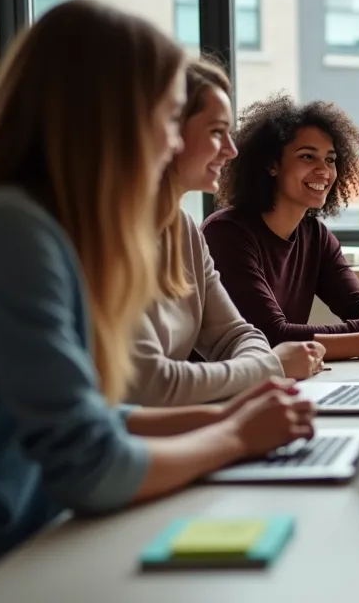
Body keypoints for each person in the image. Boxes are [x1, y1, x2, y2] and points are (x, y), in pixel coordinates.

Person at [0, 0, 314, 602]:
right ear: (115, 119)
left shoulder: (30, 221)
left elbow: (88, 419)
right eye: (169, 116)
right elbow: (91, 465)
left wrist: (225, 418)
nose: (172, 139)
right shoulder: (10, 231)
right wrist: (235, 439)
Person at [126, 58, 326, 406]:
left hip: (183, 423)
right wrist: (271, 367)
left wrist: (263, 368)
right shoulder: (114, 235)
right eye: (217, 132)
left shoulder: (184, 229)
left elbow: (237, 334)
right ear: (169, 131)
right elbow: (153, 385)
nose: (231, 150)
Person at [202, 96, 359, 361]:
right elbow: (271, 337)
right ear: (271, 164)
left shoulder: (314, 235)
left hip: (279, 382)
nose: (324, 170)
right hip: (224, 392)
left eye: (330, 160)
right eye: (308, 157)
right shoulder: (226, 235)